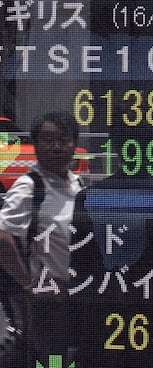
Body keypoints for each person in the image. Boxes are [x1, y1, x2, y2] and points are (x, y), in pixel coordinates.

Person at [68, 128, 153, 368]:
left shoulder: (89, 197)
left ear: (117, 152)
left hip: (103, 326)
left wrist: (75, 333)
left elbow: (81, 273)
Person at [0, 112, 84, 365]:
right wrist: (30, 284)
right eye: (48, 140)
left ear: (74, 143)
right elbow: (2, 238)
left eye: (63, 139)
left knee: (58, 356)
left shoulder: (76, 183)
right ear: (35, 144)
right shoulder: (29, 186)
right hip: (46, 300)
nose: (56, 146)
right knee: (52, 359)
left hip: (73, 295)